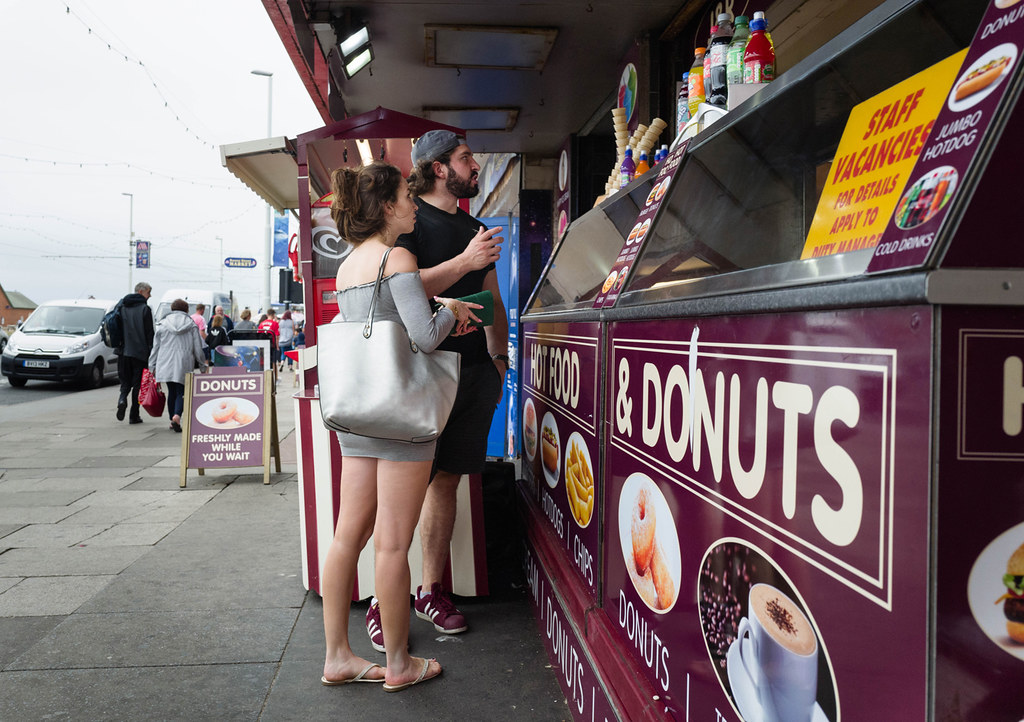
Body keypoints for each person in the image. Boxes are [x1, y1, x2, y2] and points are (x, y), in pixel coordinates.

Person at [320, 161, 481, 691]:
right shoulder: (399, 256)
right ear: (388, 206)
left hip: (358, 412)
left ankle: (339, 656)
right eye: (406, 198)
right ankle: (397, 664)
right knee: (392, 544)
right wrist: (453, 308)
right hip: (402, 416)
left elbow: (376, 324)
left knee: (348, 536)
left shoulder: (347, 266)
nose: (415, 204)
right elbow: (425, 335)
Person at [369, 129, 508, 644]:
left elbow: (490, 294)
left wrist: (500, 359)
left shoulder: (474, 226)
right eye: (466, 158)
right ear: (438, 168)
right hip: (421, 372)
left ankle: (430, 591)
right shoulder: (407, 223)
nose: (475, 166)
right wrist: (463, 263)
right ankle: (387, 600)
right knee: (405, 488)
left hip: (474, 373)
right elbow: (394, 289)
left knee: (446, 480)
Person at [149, 298, 207, 432]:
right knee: (182, 392)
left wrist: (152, 365)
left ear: (172, 309)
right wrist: (202, 365)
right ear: (186, 310)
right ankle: (177, 416)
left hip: (165, 362)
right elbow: (198, 348)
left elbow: (155, 347)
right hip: (184, 362)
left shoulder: (162, 324)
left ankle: (172, 420)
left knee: (172, 392)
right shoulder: (191, 325)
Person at [115, 282, 155, 424]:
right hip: (140, 353)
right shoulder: (145, 309)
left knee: (125, 381)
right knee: (138, 384)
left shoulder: (122, 306)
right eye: (148, 292)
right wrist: (152, 353)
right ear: (140, 292)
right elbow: (150, 334)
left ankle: (121, 399)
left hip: (123, 351)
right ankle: (134, 414)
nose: (150, 295)